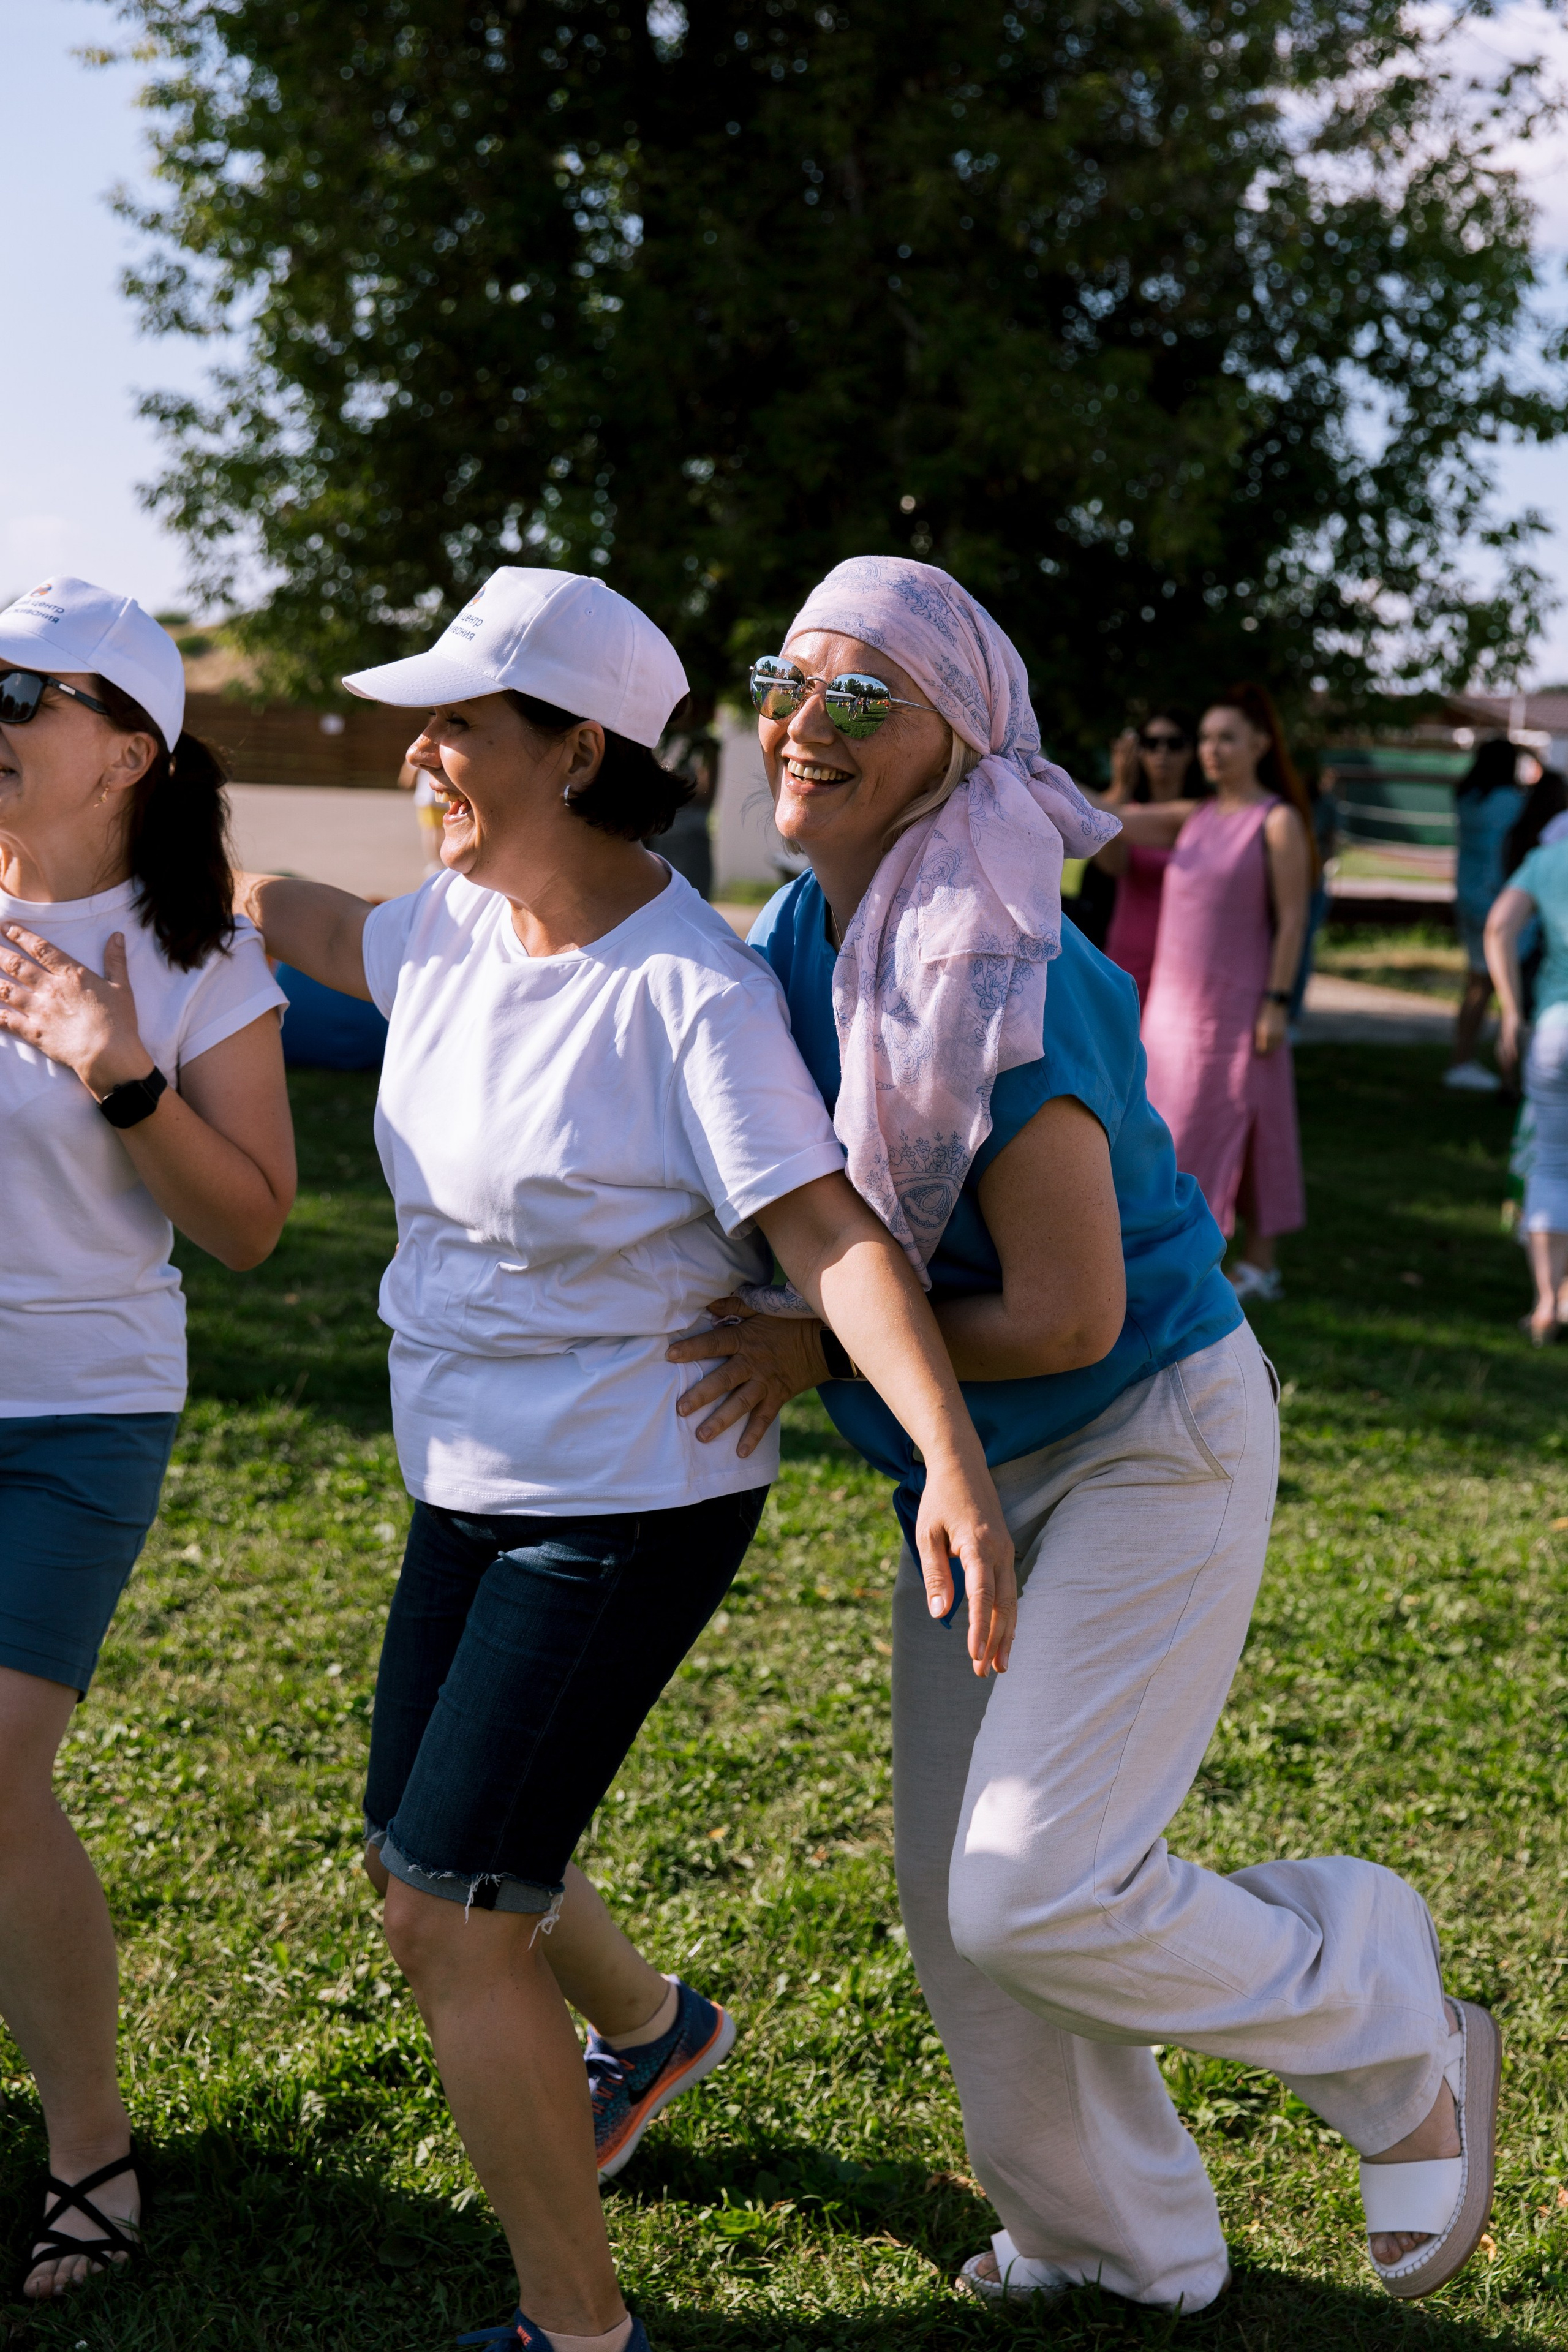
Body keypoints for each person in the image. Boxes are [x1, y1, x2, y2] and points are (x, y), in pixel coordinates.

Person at [665, 557, 1496, 2313]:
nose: (802, 722)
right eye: (784, 679)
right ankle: (1115, 2245)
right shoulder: (800, 931)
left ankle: (1386, 2010)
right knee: (966, 1922)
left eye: (859, 696)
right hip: (969, 1472)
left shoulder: (999, 974)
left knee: (1034, 1890)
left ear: (957, 743)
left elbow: (1066, 1316)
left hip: (1143, 1442)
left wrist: (818, 1354)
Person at [237, 565, 1012, 2352]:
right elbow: (300, 913)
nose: (418, 749)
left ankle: (577, 2329)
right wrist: (127, 845)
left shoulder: (687, 989)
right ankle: (658, 2033)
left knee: (447, 1918)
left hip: (626, 1499)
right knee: (413, 1849)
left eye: (457, 721)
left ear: (576, 747)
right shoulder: (444, 927)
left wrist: (945, 1456)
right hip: (471, 1477)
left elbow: (830, 1238)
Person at [0, 578, 293, 2298]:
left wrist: (120, 1074)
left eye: (22, 692)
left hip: (79, 1409)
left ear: (130, 747)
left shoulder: (200, 963)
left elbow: (257, 1225)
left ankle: (91, 2149)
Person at [1125, 683, 1314, 1306]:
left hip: (1237, 1008)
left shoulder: (1276, 820)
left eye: (1225, 738)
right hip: (1171, 1013)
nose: (1211, 750)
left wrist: (1277, 1001)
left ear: (1260, 743)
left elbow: (1293, 918)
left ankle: (1254, 1262)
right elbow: (1107, 821)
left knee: (1250, 1127)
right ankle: (1175, 1249)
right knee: (1166, 1127)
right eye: (1205, 739)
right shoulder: (1192, 817)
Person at [1487, 813, 1568, 1342]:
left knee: (1554, 1164)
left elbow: (1499, 927)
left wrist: (1512, 1011)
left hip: (1556, 1029)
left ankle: (1545, 1303)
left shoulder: (1550, 857)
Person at [1095, 707, 1201, 1003]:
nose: (1162, 753)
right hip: (1132, 951)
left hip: (1189, 956)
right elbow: (1111, 865)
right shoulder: (1128, 812)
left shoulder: (1206, 815)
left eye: (1175, 743)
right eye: (1152, 744)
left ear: (1192, 750)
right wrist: (1121, 787)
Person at [1447, 737, 1526, 1093]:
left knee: (1477, 984)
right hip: (1498, 900)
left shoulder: (1466, 798)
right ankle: (1505, 1069)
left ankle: (1462, 1059)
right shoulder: (1510, 801)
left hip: (1467, 896)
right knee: (1505, 989)